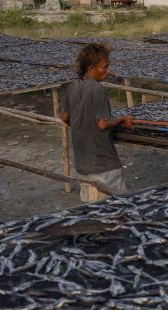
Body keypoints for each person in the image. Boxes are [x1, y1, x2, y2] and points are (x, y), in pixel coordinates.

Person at [60, 43, 132, 202]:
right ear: (91, 68)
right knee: (117, 207)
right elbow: (102, 124)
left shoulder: (73, 87)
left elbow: (64, 117)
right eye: (104, 67)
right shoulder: (97, 89)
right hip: (103, 164)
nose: (108, 71)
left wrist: (81, 125)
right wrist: (121, 119)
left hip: (83, 165)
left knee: (92, 207)